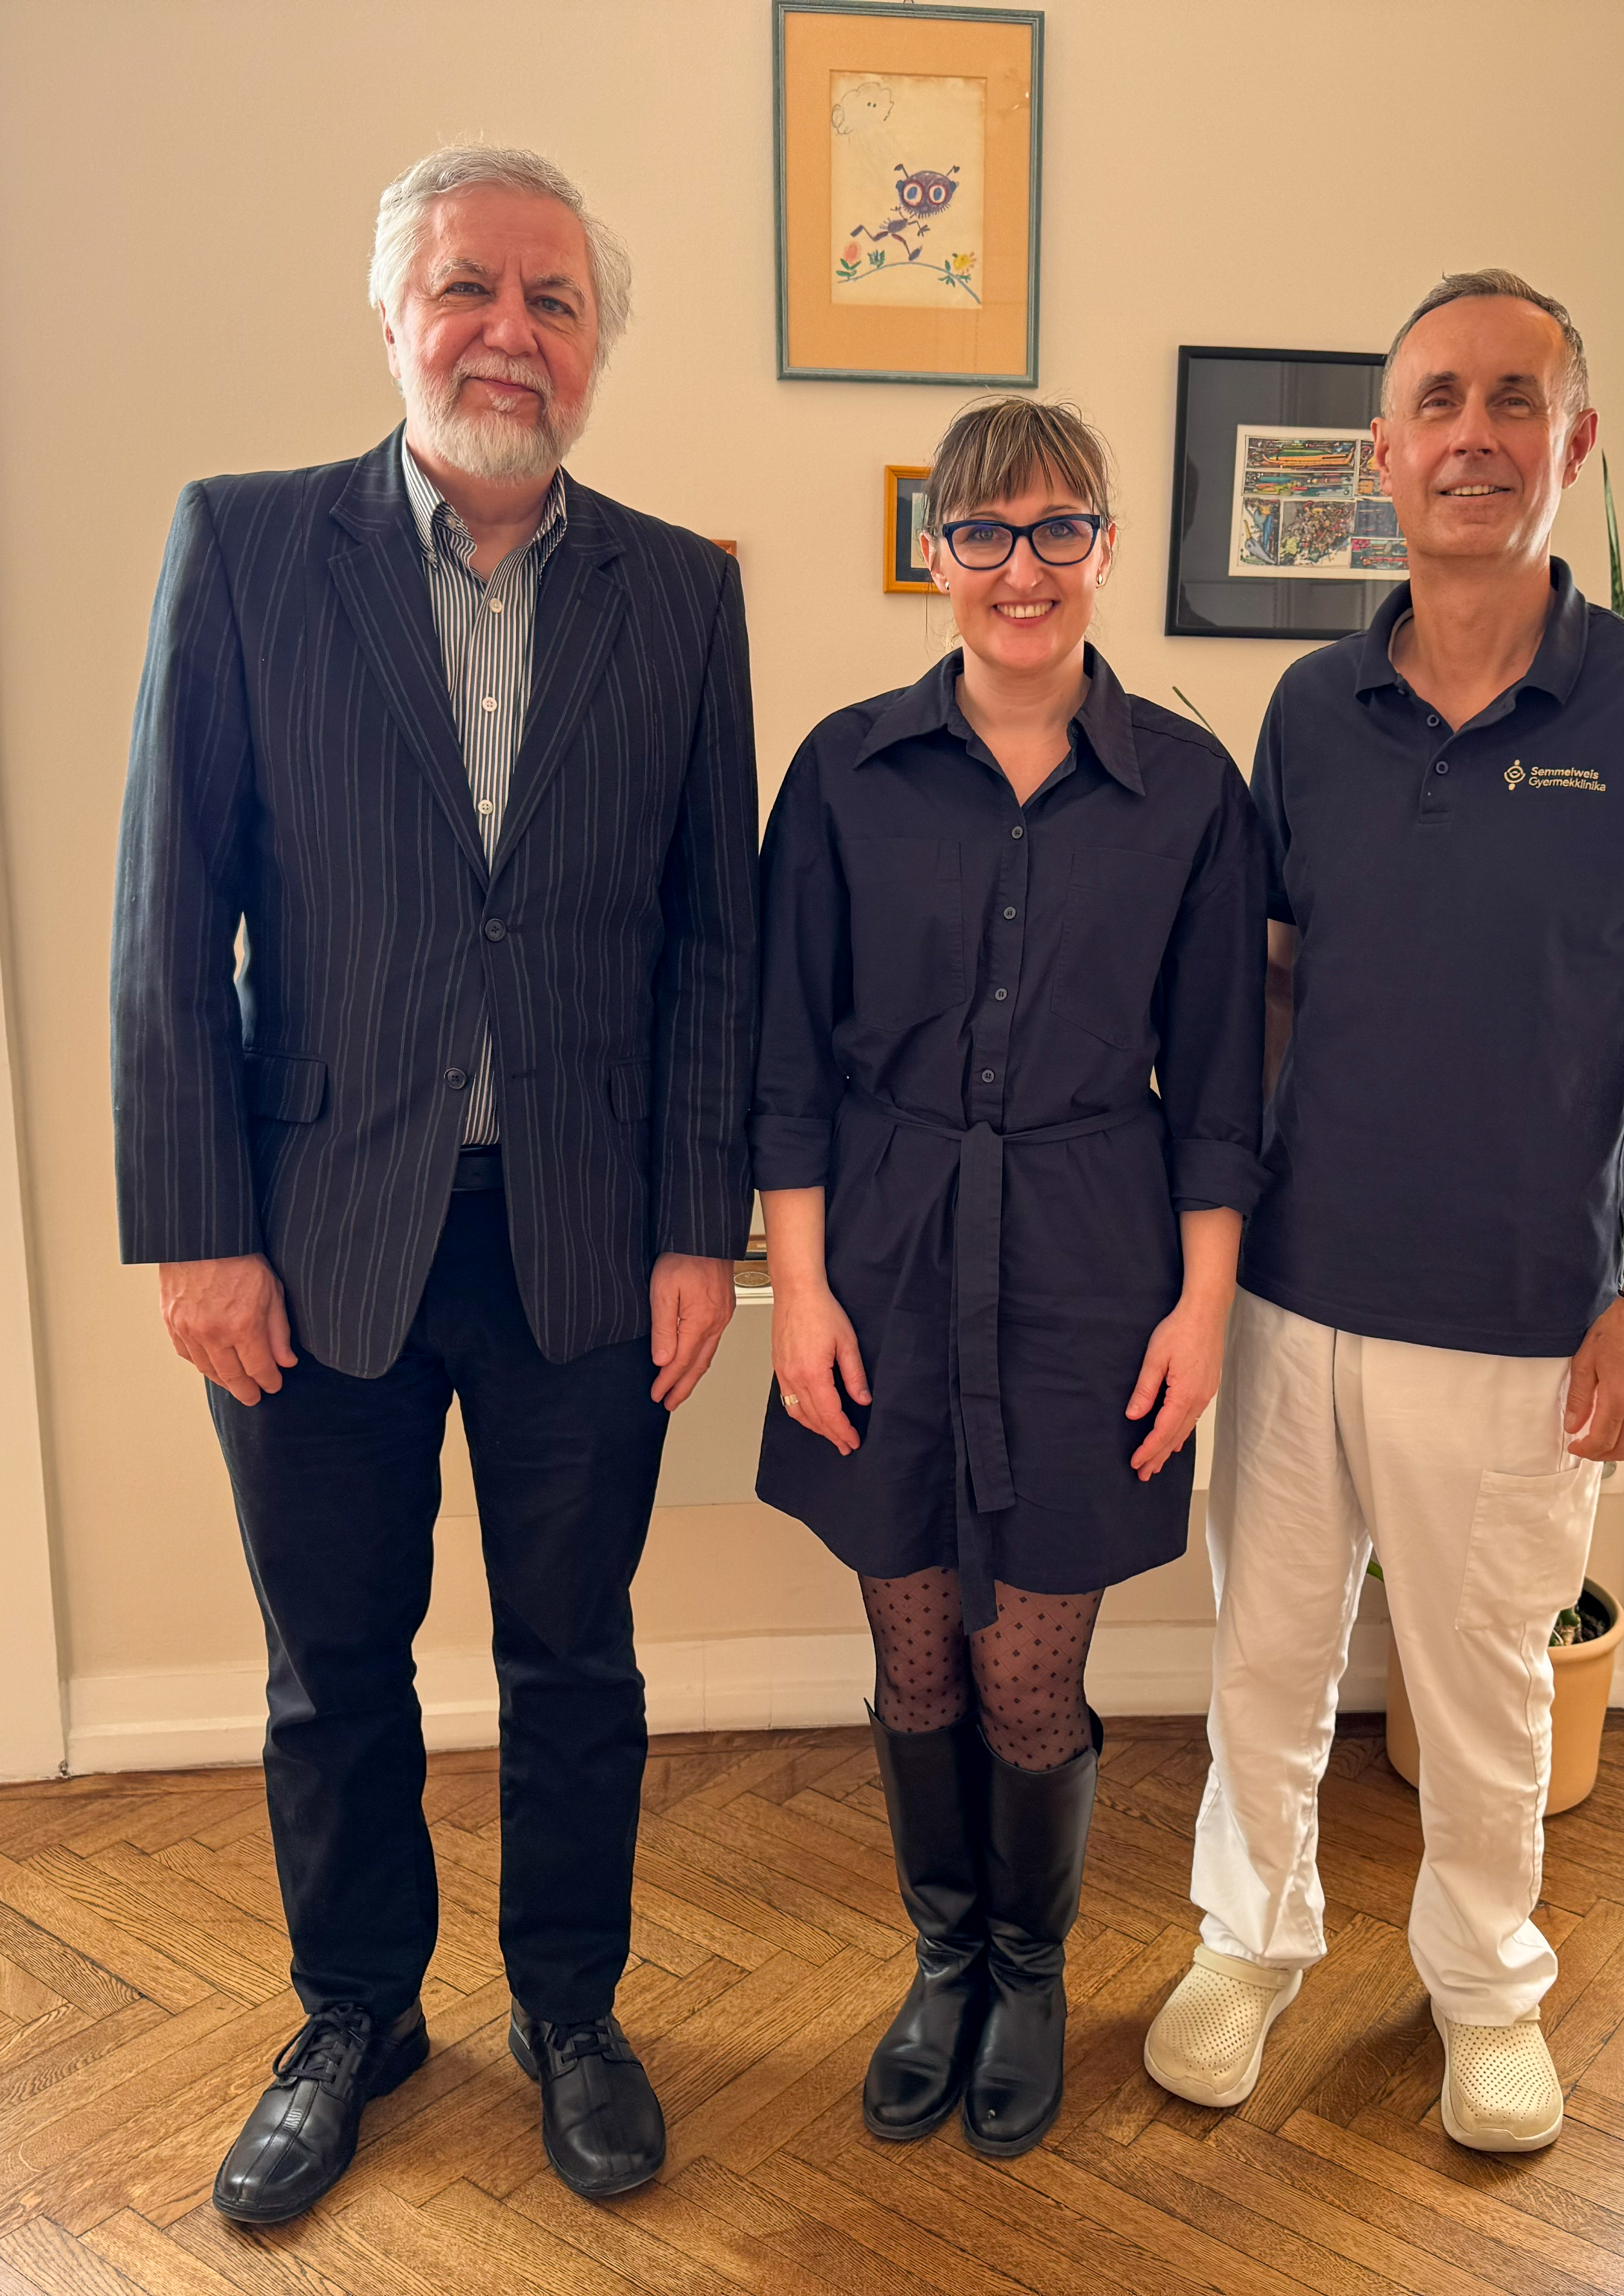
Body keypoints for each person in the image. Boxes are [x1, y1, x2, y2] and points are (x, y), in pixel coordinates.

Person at [110, 146, 758, 2217]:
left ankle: (571, 2005)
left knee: (574, 1652)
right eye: (469, 287)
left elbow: (710, 942)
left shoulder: (682, 589)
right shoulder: (246, 550)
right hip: (311, 1234)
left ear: (593, 346)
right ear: (394, 316)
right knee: (334, 1658)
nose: (509, 328)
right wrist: (195, 1224)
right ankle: (356, 2013)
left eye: (552, 299)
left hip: (584, 1232)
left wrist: (697, 1229)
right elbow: (167, 914)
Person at [1144, 271, 1624, 2152]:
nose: (1474, 434)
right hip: (1286, 1296)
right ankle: (1244, 1941)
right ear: (1385, 456)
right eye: (1437, 402)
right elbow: (1260, 987)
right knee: (1260, 1653)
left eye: (1517, 399)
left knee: (1486, 1690)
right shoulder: (1306, 709)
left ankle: (1485, 1990)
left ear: (1570, 442)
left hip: (1520, 1318)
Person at [751, 400, 1267, 2157]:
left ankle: (1029, 1969)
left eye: (1058, 529)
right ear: (934, 555)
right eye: (983, 531)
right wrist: (798, 1294)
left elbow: (1215, 1086)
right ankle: (944, 1958)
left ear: (1106, 550)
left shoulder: (1192, 789)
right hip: (882, 1254)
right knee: (914, 1660)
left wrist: (1200, 1313)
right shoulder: (841, 769)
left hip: (1087, 1258)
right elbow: (783, 1061)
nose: (1020, 566)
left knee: (1027, 1670)